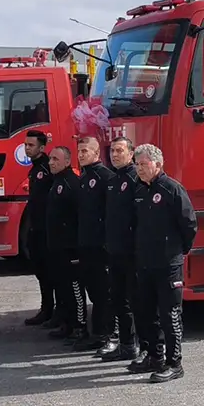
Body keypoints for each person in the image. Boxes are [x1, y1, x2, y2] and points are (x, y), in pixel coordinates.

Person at [131, 144, 197, 382]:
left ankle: (174, 363)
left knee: (170, 314)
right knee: (147, 313)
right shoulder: (139, 190)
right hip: (145, 262)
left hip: (168, 263)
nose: (139, 169)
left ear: (157, 164)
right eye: (137, 165)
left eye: (143, 164)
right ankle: (154, 357)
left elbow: (189, 224)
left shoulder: (172, 189)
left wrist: (178, 251)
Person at [100, 137, 141, 364]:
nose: (114, 155)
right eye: (112, 151)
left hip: (131, 252)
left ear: (131, 154)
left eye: (119, 151)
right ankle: (126, 346)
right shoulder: (113, 180)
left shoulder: (135, 178)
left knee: (136, 300)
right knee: (118, 299)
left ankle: (141, 346)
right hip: (114, 250)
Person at [75, 136, 116, 355]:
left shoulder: (105, 177)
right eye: (79, 151)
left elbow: (110, 214)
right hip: (86, 244)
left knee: (104, 293)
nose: (81, 155)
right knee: (93, 291)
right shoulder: (83, 177)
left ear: (96, 153)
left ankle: (109, 335)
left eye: (85, 151)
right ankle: (97, 333)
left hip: (101, 246)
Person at [44, 145, 89, 344]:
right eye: (50, 159)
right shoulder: (56, 181)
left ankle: (80, 326)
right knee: (62, 288)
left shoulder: (72, 183)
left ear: (67, 161)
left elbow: (79, 215)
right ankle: (67, 324)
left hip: (71, 247)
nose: (51, 163)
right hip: (57, 247)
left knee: (75, 288)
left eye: (56, 159)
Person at [22, 130, 56, 327]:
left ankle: (53, 311)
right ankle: (46, 308)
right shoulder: (35, 169)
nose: (27, 148)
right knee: (41, 271)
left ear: (42, 148)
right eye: (26, 145)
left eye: (31, 145)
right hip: (36, 228)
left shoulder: (46, 168)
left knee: (51, 272)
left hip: (46, 230)